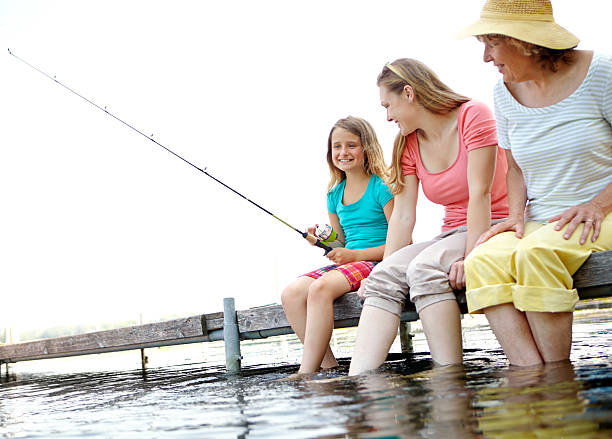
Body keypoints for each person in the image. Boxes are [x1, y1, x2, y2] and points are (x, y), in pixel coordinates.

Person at [457, 0, 612, 366]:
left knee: (535, 253)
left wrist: (597, 205)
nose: (485, 57)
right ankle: (530, 376)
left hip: (603, 212)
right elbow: (514, 169)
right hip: (542, 218)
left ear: (524, 41)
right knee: (482, 260)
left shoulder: (602, 73)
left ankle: (557, 379)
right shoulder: (503, 92)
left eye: (492, 44)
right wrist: (514, 215)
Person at [348, 59, 509, 375]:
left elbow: (481, 194)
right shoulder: (407, 142)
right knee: (381, 277)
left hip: (494, 225)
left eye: (388, 105)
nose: (388, 116)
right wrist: (386, 267)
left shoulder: (472, 116)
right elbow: (404, 216)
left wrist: (473, 257)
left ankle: (449, 378)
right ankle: (360, 385)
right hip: (450, 233)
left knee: (424, 268)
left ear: (408, 93)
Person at [281, 116, 394, 375]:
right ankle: (329, 369)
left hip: (379, 260)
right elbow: (341, 242)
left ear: (367, 147)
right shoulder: (334, 194)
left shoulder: (382, 186)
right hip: (353, 261)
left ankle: (305, 373)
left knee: (320, 288)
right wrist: (324, 241)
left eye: (351, 145)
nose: (343, 153)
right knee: (292, 293)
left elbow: (401, 243)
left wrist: (354, 254)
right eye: (337, 147)